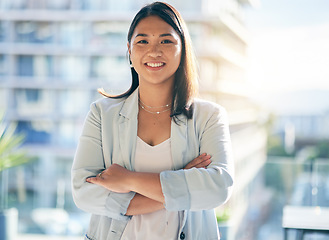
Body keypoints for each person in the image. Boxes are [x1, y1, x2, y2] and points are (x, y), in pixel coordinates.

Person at [71, 2, 234, 240]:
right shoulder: (101, 114)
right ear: (129, 51)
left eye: (166, 41)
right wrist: (182, 180)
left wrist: (128, 179)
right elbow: (83, 191)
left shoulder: (209, 116)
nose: (154, 51)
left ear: (183, 49)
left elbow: (218, 188)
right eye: (143, 41)